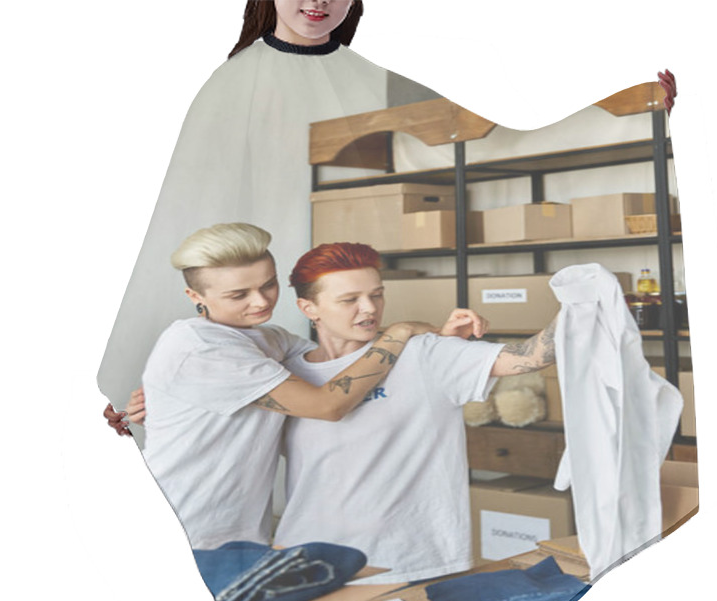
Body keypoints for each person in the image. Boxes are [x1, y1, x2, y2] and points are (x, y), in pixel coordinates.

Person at [102, 0, 676, 434]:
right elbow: (189, 216)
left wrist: (628, 107)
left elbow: (476, 138)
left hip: (343, 297)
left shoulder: (373, 78)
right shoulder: (231, 83)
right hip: (260, 299)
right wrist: (147, 372)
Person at [278, 242, 558, 601]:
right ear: (310, 308)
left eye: (376, 295)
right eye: (350, 298)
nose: (368, 309)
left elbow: (528, 357)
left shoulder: (427, 352)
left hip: (413, 552)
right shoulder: (285, 373)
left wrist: (587, 302)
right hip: (314, 562)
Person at [139, 221, 481, 551]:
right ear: (194, 295)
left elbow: (346, 352)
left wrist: (437, 337)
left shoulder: (268, 338)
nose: (260, 302)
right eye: (239, 294)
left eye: (268, 285)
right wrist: (400, 332)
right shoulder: (200, 347)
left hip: (238, 534)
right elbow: (326, 404)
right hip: (178, 531)